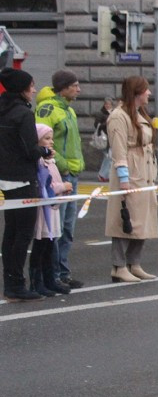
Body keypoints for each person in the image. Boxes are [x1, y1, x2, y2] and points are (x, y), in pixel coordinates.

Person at [1, 67, 49, 302]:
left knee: (10, 231)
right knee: (23, 233)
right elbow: (30, 150)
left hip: (4, 178)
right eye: (31, 86)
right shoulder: (23, 114)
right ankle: (17, 284)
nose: (34, 90)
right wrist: (45, 151)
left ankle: (10, 281)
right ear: (22, 89)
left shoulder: (3, 110)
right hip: (23, 178)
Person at [105, 76, 158, 283]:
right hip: (131, 174)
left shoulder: (138, 114)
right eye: (146, 90)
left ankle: (133, 263)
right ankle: (118, 266)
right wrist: (124, 179)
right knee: (124, 220)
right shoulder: (119, 116)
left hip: (144, 174)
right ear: (136, 92)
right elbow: (119, 150)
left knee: (142, 220)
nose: (149, 93)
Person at [35, 69, 84, 289]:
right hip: (59, 175)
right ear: (63, 87)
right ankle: (52, 274)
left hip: (72, 174)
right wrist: (62, 165)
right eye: (74, 85)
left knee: (67, 227)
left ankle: (63, 271)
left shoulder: (69, 111)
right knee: (55, 228)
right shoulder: (48, 108)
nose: (78, 89)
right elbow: (41, 138)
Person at [30, 124, 73, 297]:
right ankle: (36, 282)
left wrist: (63, 189)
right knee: (40, 245)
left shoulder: (50, 160)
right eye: (47, 139)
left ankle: (49, 280)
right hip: (43, 210)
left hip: (53, 207)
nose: (51, 142)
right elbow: (44, 185)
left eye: (51, 138)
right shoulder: (39, 161)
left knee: (49, 245)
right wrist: (63, 186)